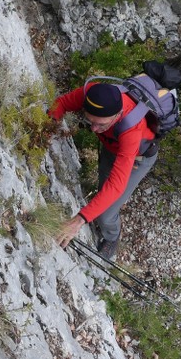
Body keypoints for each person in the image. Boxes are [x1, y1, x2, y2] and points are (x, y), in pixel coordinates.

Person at [49, 81, 158, 259]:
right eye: (89, 121)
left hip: (138, 159)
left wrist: (78, 220)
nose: (93, 129)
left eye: (100, 124)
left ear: (118, 115)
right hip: (111, 147)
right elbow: (61, 103)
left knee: (106, 214)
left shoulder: (131, 129)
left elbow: (117, 184)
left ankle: (112, 237)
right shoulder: (92, 93)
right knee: (102, 193)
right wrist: (46, 130)